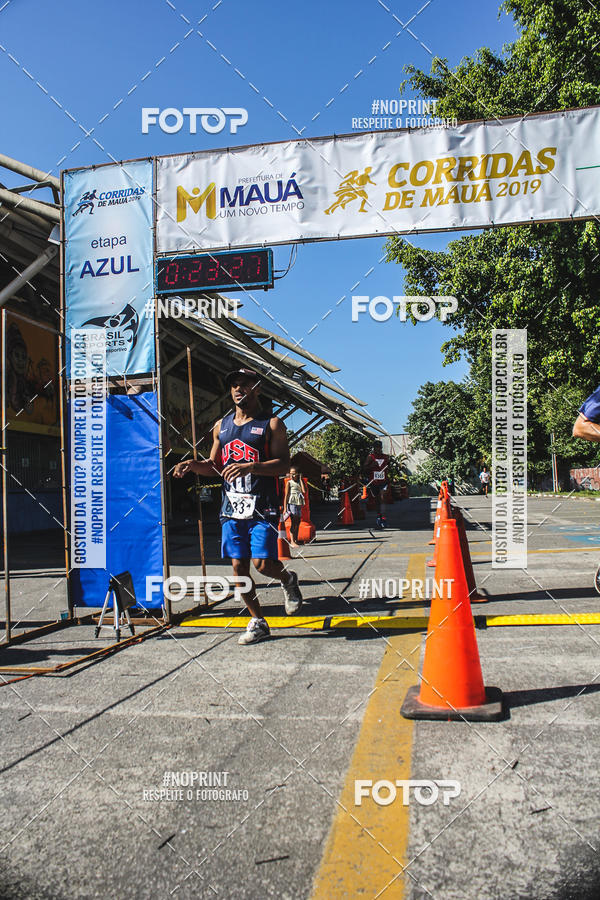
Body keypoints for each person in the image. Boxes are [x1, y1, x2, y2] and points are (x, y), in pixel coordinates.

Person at [173, 368, 302, 645]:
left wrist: (251, 466)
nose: (237, 389)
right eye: (233, 384)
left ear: (257, 388)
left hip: (262, 507)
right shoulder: (222, 426)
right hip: (231, 508)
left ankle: (288, 579)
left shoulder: (272, 424)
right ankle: (258, 621)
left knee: (263, 564)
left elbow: (282, 464)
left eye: (243, 384)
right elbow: (215, 466)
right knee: (238, 567)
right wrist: (192, 465)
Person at [363, 439, 389, 527]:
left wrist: (388, 477)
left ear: (381, 448)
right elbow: (365, 468)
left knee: (383, 498)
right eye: (376, 448)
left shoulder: (386, 457)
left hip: (383, 481)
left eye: (379, 447)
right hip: (374, 482)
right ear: (374, 448)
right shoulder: (371, 457)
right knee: (377, 500)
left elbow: (388, 468)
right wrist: (371, 466)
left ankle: (384, 519)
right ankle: (379, 517)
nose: (378, 449)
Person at [284, 467, 305, 548]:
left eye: (294, 473)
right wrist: (285, 507)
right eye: (291, 473)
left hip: (298, 503)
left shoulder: (299, 482)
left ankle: (296, 539)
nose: (293, 475)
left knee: (298, 522)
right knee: (294, 522)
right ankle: (292, 541)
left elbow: (304, 491)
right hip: (291, 503)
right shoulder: (289, 483)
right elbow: (286, 495)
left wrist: (300, 479)